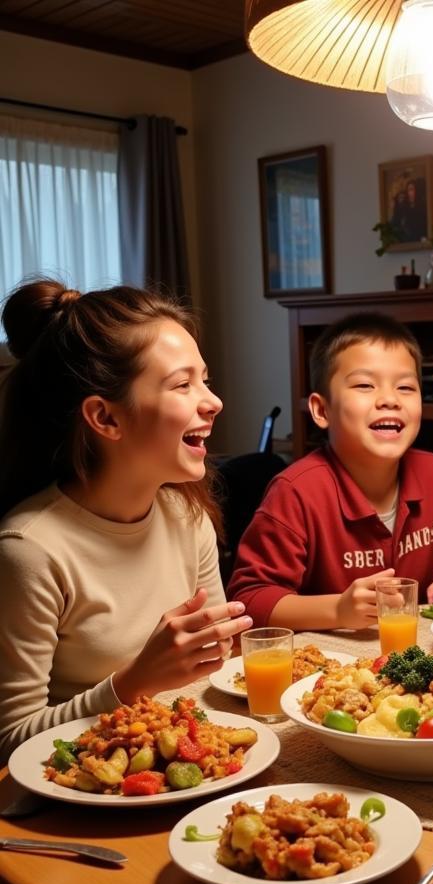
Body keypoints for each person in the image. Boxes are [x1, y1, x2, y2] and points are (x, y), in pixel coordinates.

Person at [0, 280, 252, 762]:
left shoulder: (187, 515)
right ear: (106, 418)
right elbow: (10, 741)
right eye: (183, 385)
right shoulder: (29, 550)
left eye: (205, 378)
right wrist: (135, 681)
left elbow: (216, 669)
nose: (213, 401)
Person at [228, 313, 433, 631]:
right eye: (364, 385)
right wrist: (337, 609)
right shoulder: (297, 491)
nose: (389, 400)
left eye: (405, 387)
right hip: (328, 667)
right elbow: (249, 599)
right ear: (322, 410)